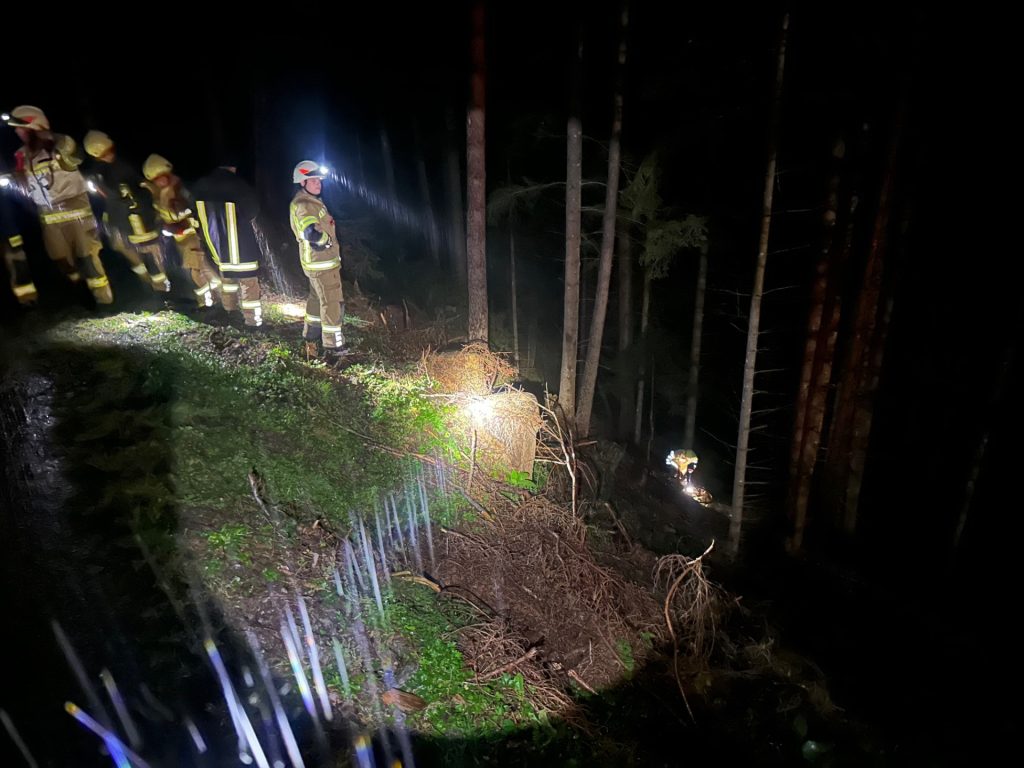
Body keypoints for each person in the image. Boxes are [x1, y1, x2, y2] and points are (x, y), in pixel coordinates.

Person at [4, 106, 112, 304]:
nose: (17, 132)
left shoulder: (60, 143)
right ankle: (81, 290)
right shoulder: (21, 155)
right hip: (49, 217)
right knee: (62, 261)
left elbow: (75, 157)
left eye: (21, 127)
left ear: (34, 126)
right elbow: (22, 182)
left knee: (88, 258)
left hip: (77, 212)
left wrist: (54, 143)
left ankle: (103, 300)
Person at [83, 130, 169, 293]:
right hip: (119, 217)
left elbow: (143, 187)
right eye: (102, 155)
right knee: (122, 247)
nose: (107, 156)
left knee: (149, 250)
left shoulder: (124, 164)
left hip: (139, 215)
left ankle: (162, 288)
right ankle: (147, 281)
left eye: (108, 152)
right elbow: (104, 196)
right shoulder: (97, 172)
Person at [142, 153, 221, 308]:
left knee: (196, 271)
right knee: (204, 267)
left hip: (192, 236)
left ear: (168, 174)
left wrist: (180, 225)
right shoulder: (156, 196)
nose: (160, 181)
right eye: (156, 179)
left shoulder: (181, 190)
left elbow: (191, 212)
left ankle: (206, 303)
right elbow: (159, 217)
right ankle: (220, 294)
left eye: (162, 176)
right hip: (179, 239)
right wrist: (165, 228)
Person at [191, 158, 263, 326]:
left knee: (227, 281)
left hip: (216, 247)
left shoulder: (201, 185)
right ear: (233, 167)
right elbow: (252, 210)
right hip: (240, 246)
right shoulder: (238, 185)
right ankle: (252, 322)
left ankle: (230, 311)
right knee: (248, 283)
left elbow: (193, 212)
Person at [288, 160, 345, 358]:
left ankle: (311, 335)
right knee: (331, 301)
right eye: (312, 180)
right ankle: (333, 347)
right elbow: (310, 232)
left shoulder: (310, 202)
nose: (318, 183)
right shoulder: (304, 204)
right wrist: (326, 241)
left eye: (319, 180)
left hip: (316, 263)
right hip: (321, 263)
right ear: (302, 183)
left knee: (316, 298)